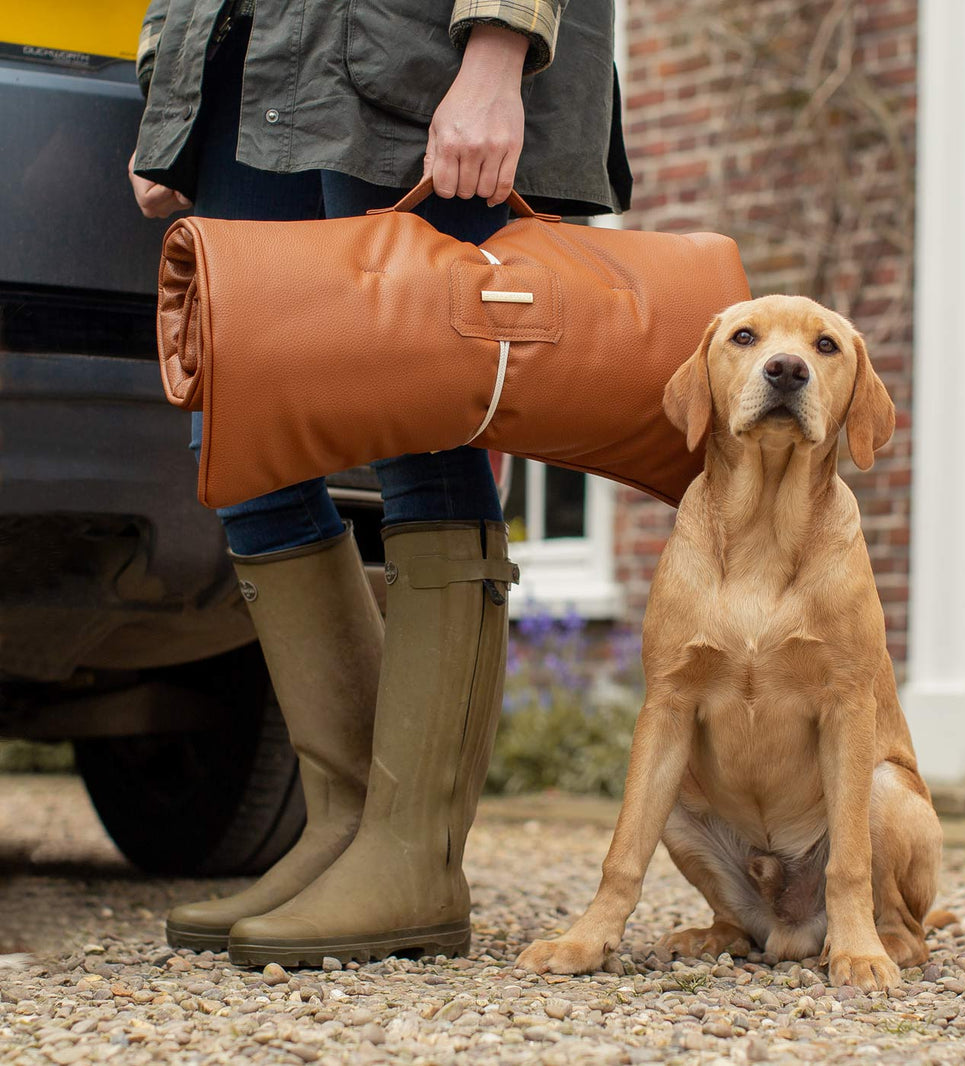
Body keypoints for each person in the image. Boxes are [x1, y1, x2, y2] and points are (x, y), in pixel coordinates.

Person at [128, 0, 631, 968]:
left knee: (423, 419)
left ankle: (414, 857)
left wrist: (498, 51)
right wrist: (171, 85)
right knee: (246, 438)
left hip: (415, 58)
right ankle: (343, 826)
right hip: (253, 69)